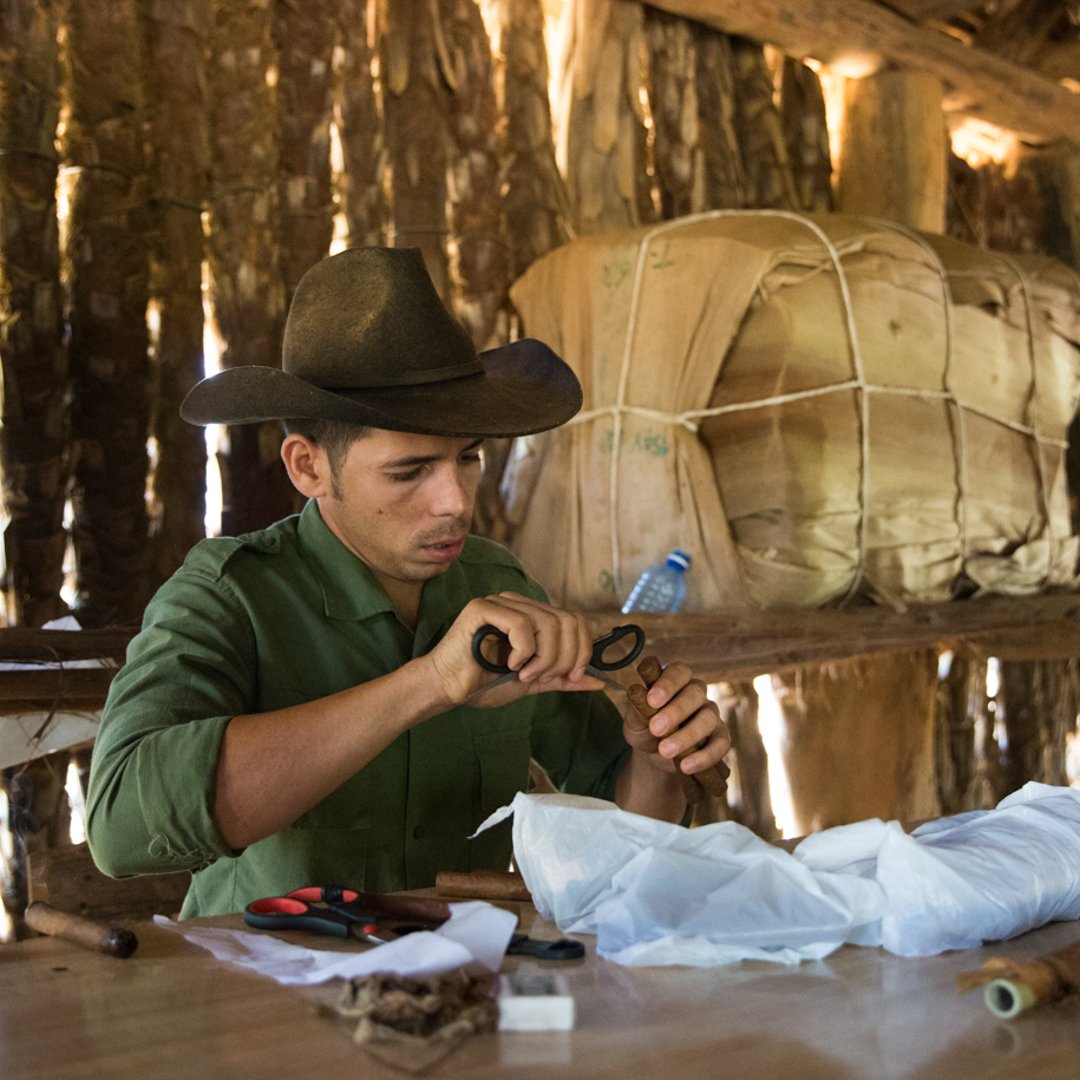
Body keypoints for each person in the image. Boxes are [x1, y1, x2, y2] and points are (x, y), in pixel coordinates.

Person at [85, 246, 730, 917]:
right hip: (264, 977)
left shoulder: (496, 585)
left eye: (468, 458)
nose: (455, 501)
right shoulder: (230, 596)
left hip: (472, 969)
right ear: (308, 468)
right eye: (409, 471)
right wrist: (430, 683)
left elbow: (624, 835)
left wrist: (657, 760)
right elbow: (118, 829)